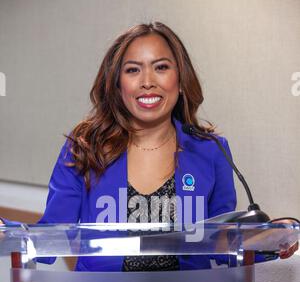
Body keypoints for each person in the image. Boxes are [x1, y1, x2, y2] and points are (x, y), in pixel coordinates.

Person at [0, 22, 298, 269]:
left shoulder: (211, 150)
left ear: (180, 81)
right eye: (133, 70)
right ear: (117, 85)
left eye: (161, 67)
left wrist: (270, 243)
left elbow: (221, 244)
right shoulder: (84, 149)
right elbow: (51, 235)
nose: (147, 81)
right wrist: (5, 231)